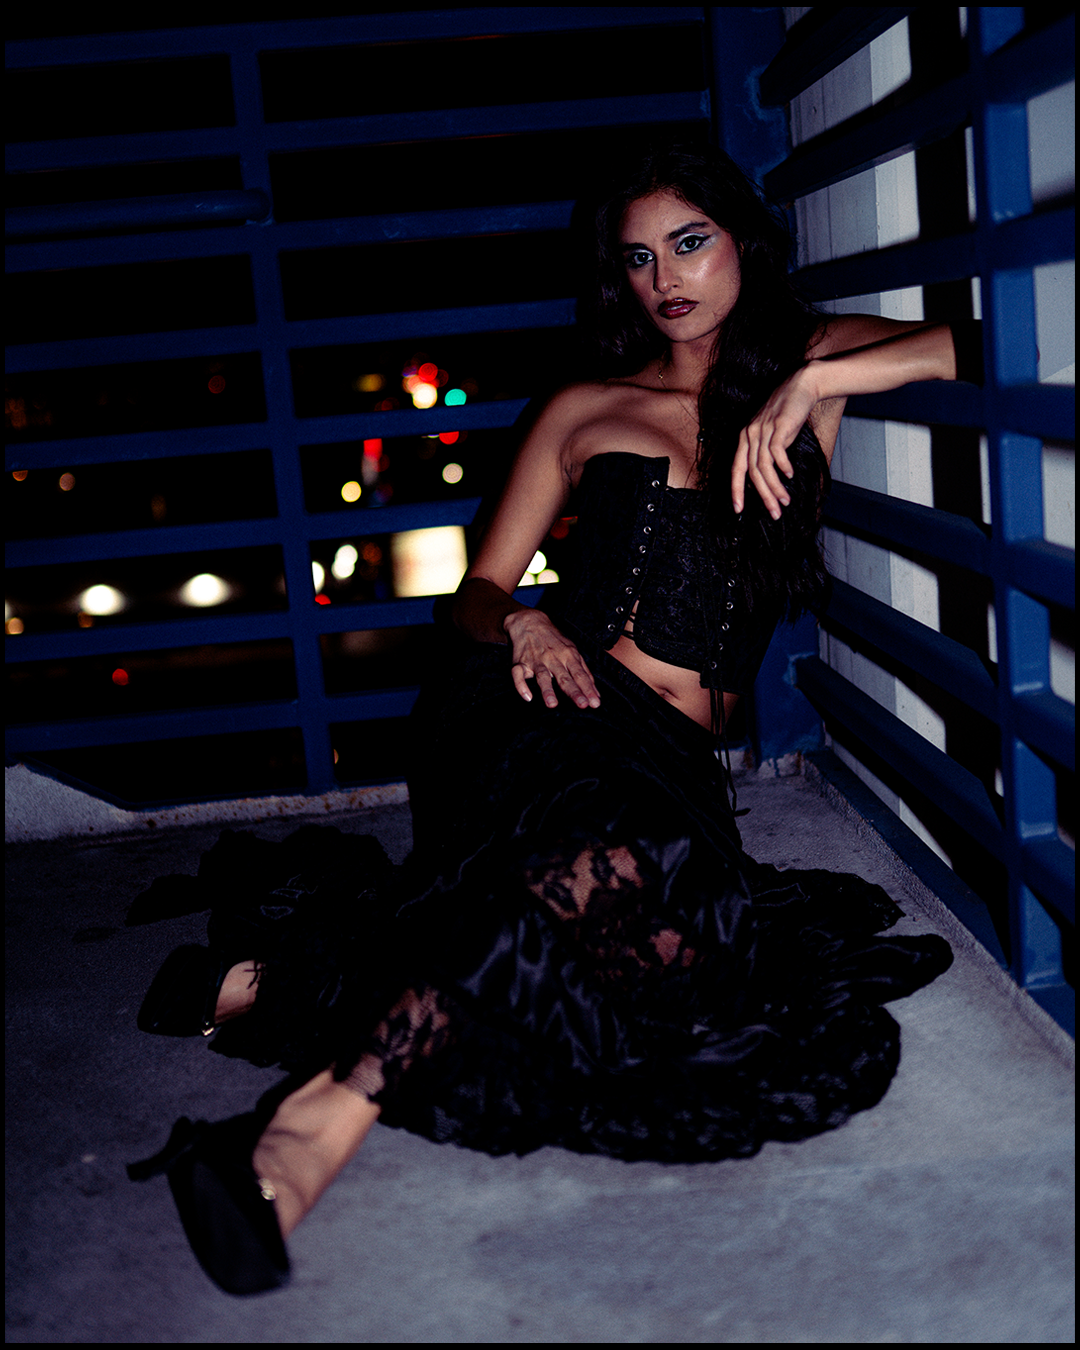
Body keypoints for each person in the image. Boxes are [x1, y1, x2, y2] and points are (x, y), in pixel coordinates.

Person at [126, 142, 968, 1296]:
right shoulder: (585, 404)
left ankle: (282, 985)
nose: (664, 276)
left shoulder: (804, 359)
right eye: (637, 258)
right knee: (609, 875)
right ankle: (308, 1131)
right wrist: (521, 621)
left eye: (690, 242)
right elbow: (474, 591)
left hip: (672, 749)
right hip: (537, 700)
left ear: (741, 241)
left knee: (649, 936)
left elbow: (964, 342)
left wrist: (817, 386)